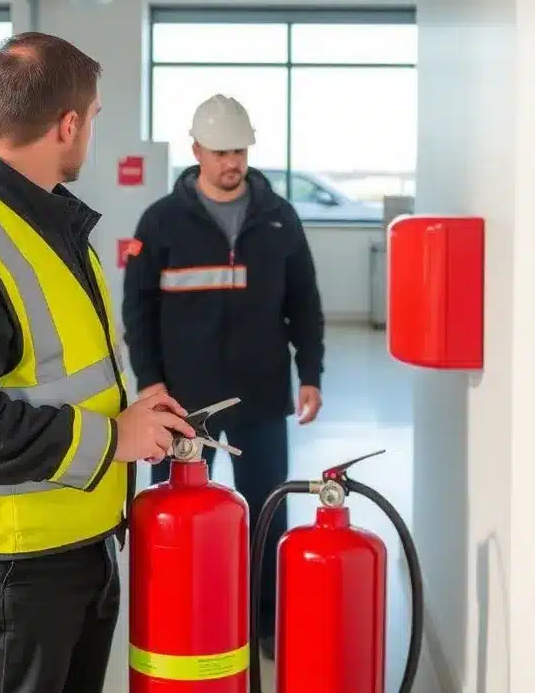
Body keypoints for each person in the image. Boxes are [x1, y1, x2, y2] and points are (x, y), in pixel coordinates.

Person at [0, 31, 195, 693]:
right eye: (95, 118)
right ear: (70, 123)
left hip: (76, 541)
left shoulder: (45, 224)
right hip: (6, 573)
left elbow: (53, 374)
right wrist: (114, 439)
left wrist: (129, 415)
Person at [121, 93, 325, 659]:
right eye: (220, 152)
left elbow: (304, 301)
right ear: (196, 152)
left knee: (268, 510)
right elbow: (138, 308)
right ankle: (173, 615)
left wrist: (310, 373)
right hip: (182, 402)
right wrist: (150, 381)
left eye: (239, 150)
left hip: (260, 396)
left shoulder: (279, 216)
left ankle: (264, 623)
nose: (231, 162)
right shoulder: (161, 222)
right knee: (171, 513)